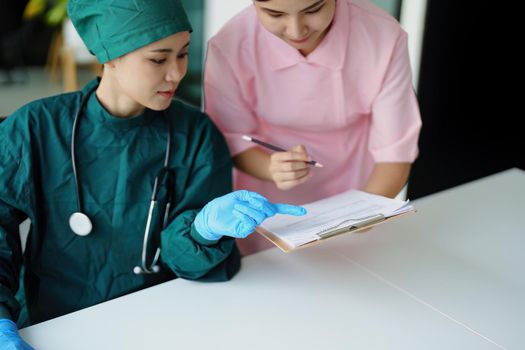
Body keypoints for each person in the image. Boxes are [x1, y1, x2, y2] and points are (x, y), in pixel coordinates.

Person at [0, 0, 306, 348]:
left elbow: (187, 263)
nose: (176, 73)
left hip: (162, 322)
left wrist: (203, 233)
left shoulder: (196, 136)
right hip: (55, 323)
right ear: (109, 55)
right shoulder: (36, 129)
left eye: (183, 54)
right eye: (159, 59)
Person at [204, 0, 422, 256]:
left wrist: (361, 216)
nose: (297, 31)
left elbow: (394, 153)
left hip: (361, 189)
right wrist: (270, 168)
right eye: (274, 14)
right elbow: (232, 139)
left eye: (313, 10)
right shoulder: (230, 45)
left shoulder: (382, 36)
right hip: (268, 201)